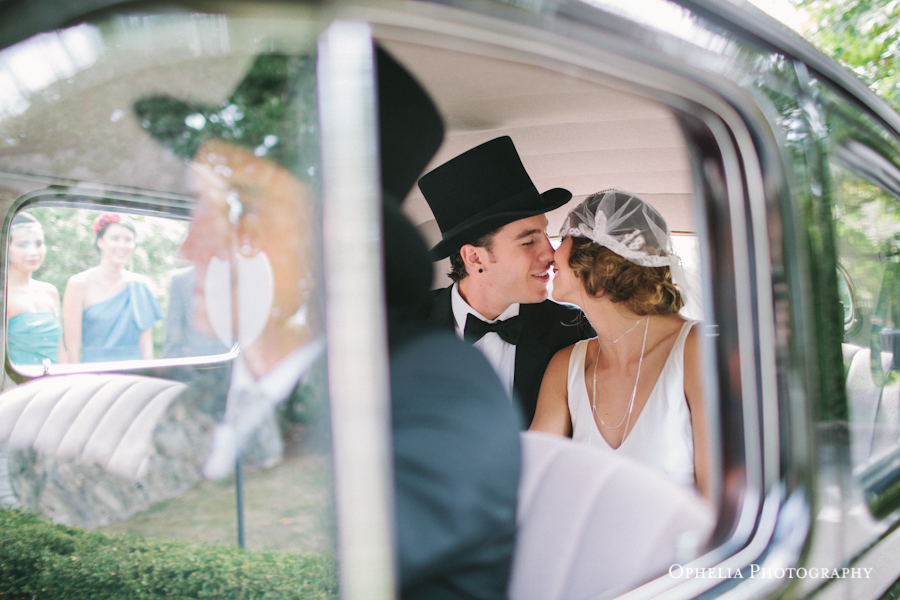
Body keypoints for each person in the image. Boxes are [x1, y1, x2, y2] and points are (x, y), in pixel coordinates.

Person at [135, 45, 521, 600]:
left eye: (237, 209)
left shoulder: (436, 386)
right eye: (199, 205)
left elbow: (278, 573)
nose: (191, 245)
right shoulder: (210, 388)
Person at [529, 190, 711, 499]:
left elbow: (725, 505)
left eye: (563, 237)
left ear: (598, 256)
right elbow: (529, 481)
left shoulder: (696, 351)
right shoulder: (566, 366)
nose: (552, 253)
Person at [418, 136, 594, 427]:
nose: (550, 254)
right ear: (475, 258)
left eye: (545, 235)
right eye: (528, 242)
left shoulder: (573, 332)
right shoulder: (401, 328)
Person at [62, 213, 163, 362]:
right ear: (100, 242)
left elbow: (146, 343)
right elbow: (72, 345)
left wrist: (151, 376)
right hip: (95, 371)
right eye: (115, 238)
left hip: (135, 371)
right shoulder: (78, 284)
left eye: (128, 240)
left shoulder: (141, 285)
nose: (122, 245)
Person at [5, 212, 64, 365]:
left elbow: (60, 350)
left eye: (38, 244)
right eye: (22, 245)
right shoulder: (4, 295)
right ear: (5, 247)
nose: (33, 252)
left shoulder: (50, 291)